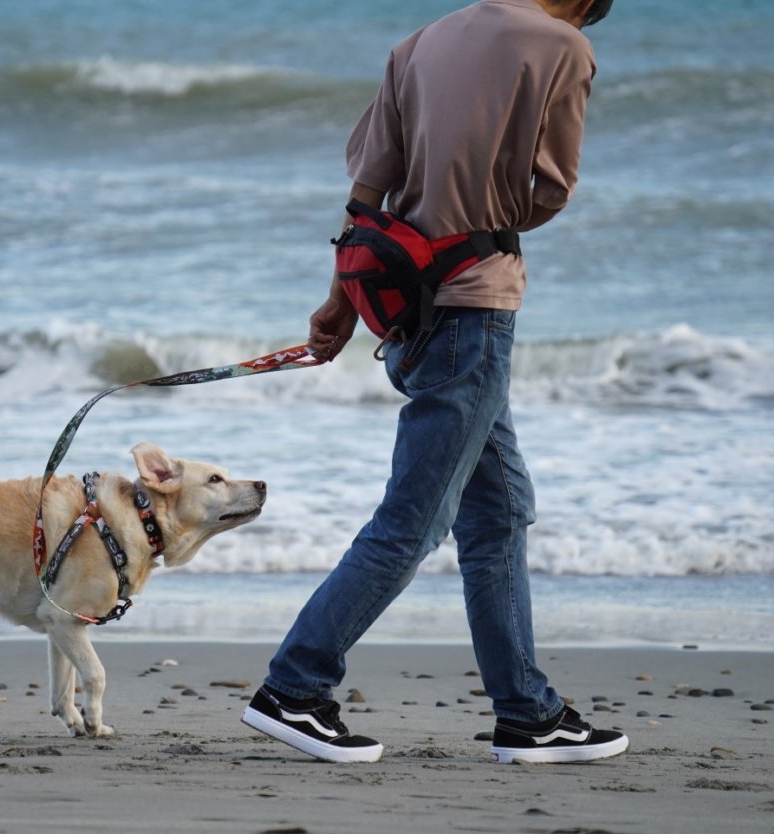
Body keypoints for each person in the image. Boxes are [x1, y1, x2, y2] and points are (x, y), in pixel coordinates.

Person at [242, 0, 627, 764]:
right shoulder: (564, 48)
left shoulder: (419, 41)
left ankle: (526, 711)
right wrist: (483, 210)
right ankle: (295, 685)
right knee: (414, 522)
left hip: (407, 310)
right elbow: (548, 192)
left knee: (500, 511)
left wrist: (338, 305)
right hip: (473, 309)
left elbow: (364, 197)